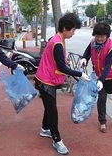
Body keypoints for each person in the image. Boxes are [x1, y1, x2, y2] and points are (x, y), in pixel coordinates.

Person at [34, 13, 90, 155]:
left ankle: (45, 129)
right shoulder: (57, 43)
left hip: (46, 79)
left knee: (49, 106)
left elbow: (59, 63)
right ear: (65, 28)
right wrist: (80, 74)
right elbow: (62, 68)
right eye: (73, 30)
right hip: (46, 81)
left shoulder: (58, 39)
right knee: (53, 110)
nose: (73, 33)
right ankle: (57, 140)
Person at [79, 22, 112, 133]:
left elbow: (108, 65)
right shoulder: (92, 43)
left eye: (102, 36)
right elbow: (87, 52)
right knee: (101, 100)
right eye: (97, 35)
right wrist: (85, 58)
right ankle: (102, 122)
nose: (99, 38)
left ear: (107, 36)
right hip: (100, 78)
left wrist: (101, 80)